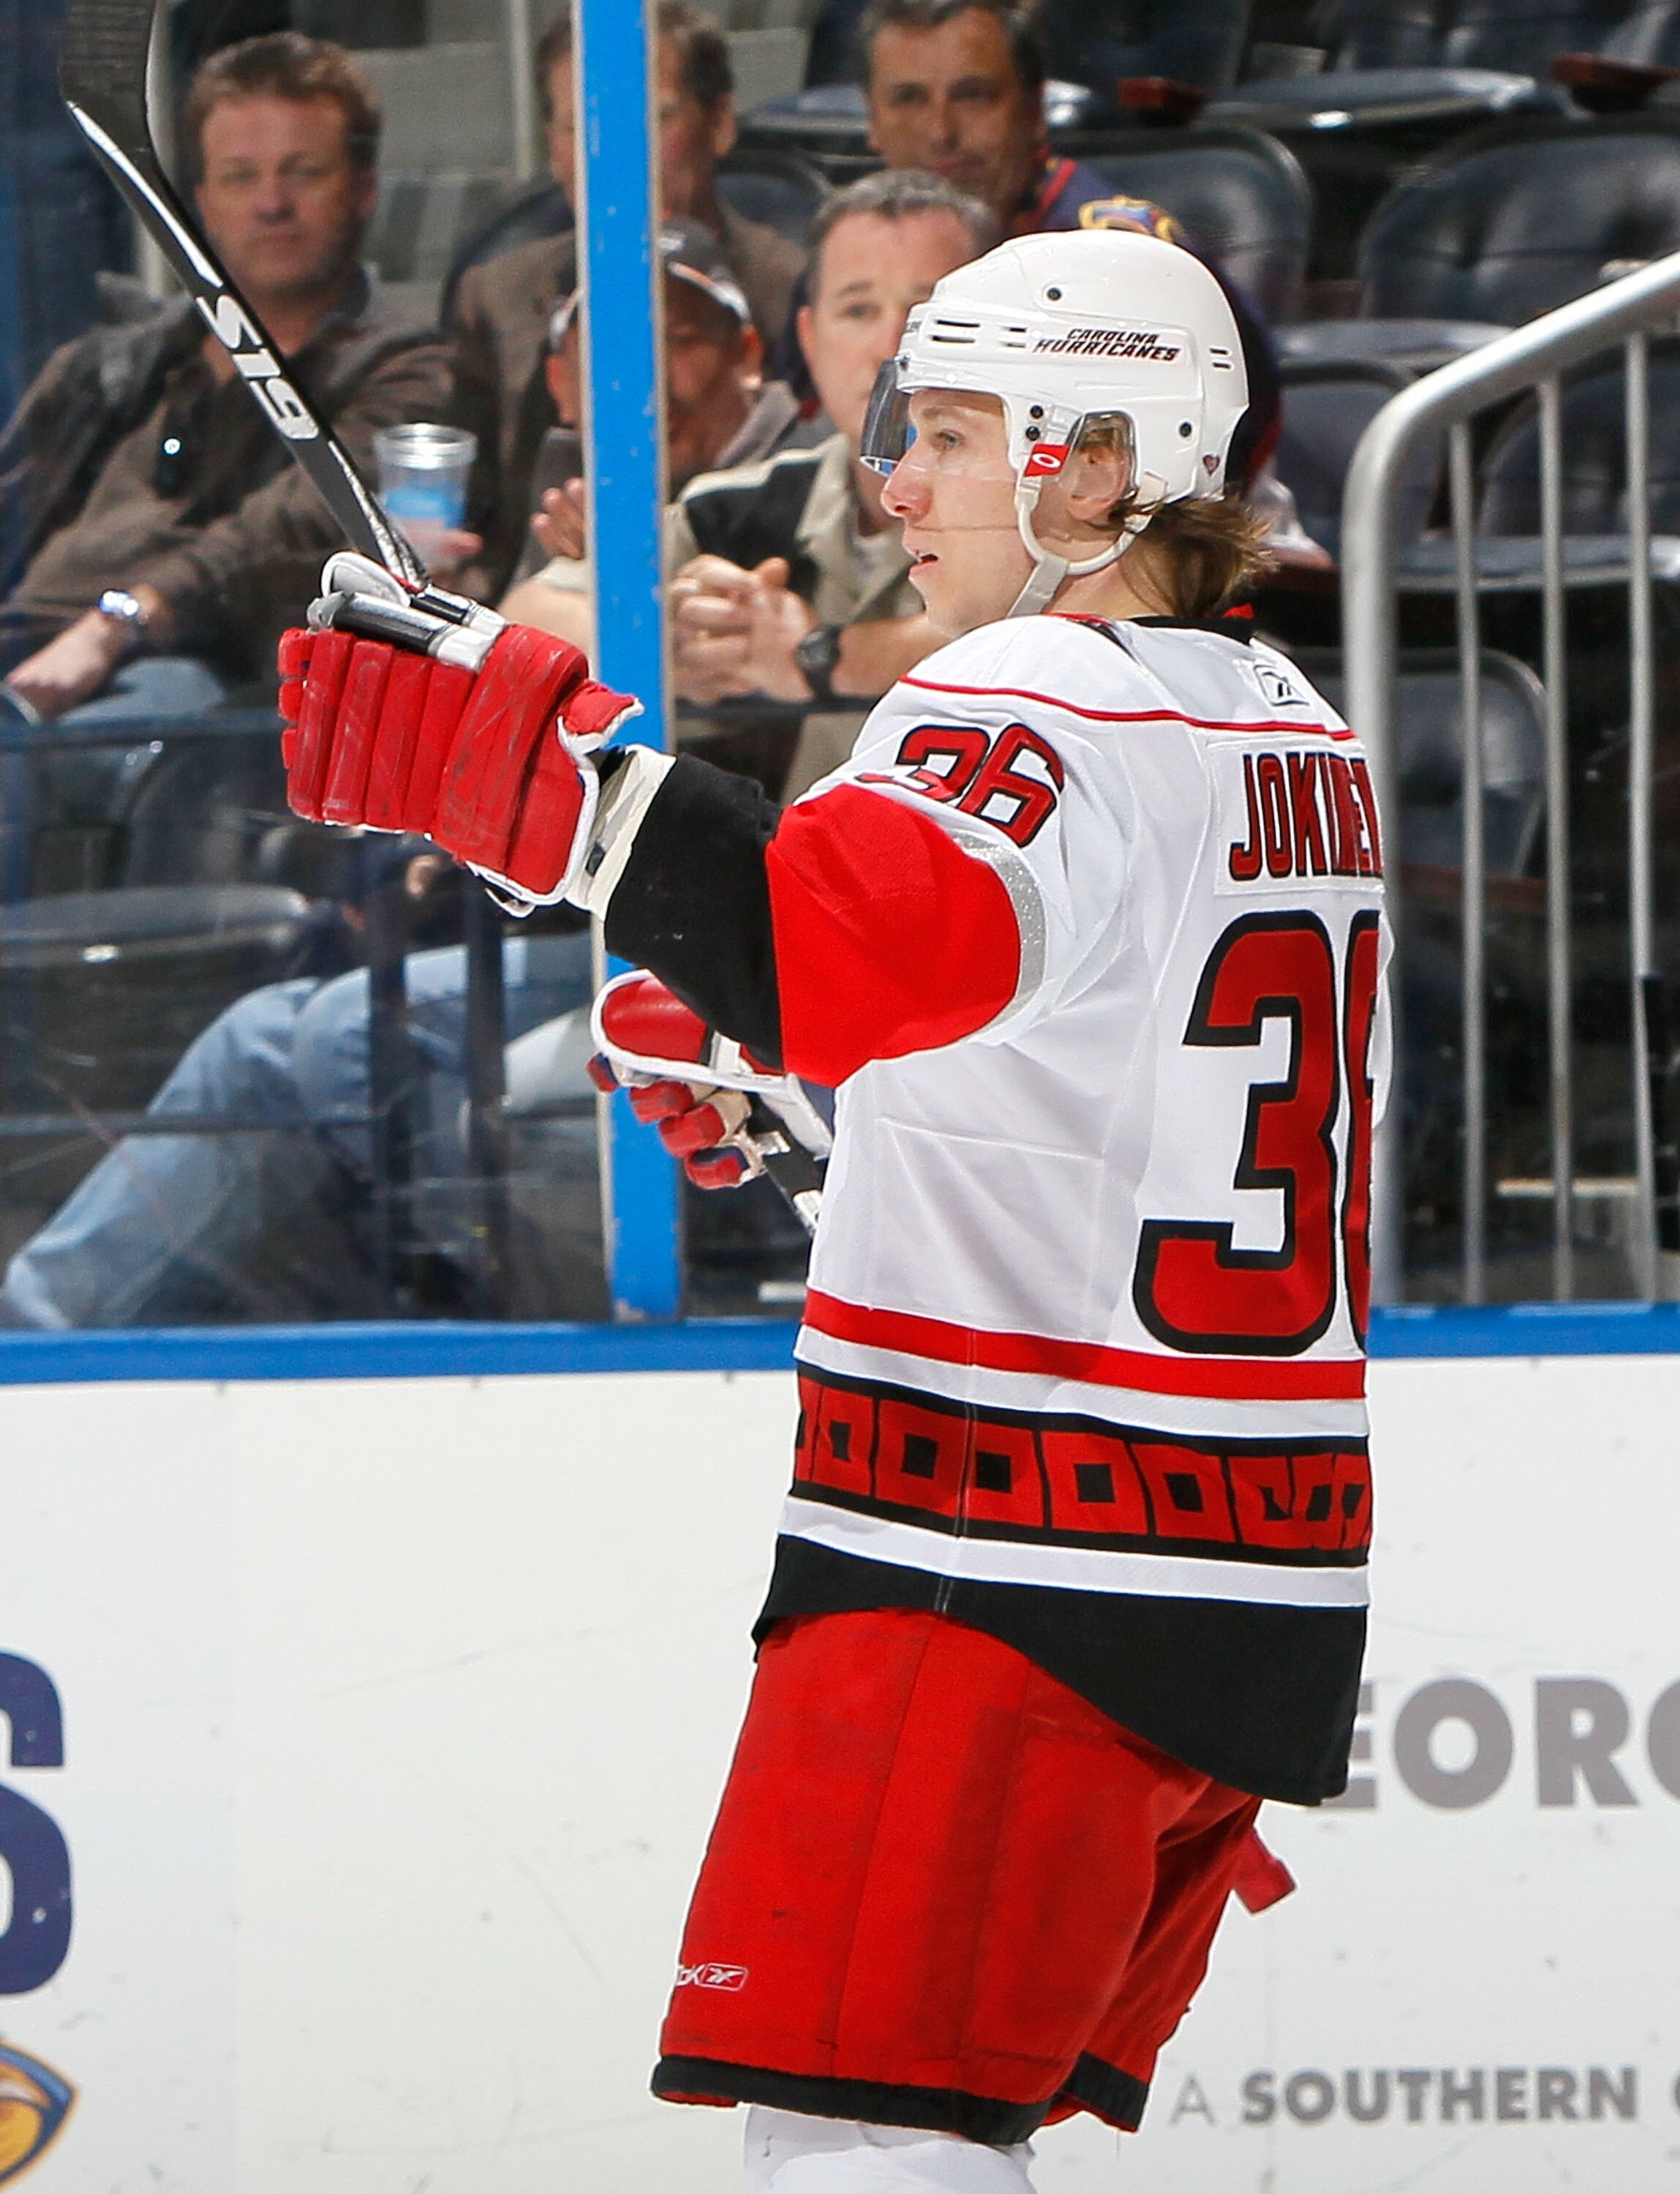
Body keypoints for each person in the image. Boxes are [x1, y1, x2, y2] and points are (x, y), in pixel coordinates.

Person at [276, 222, 1387, 2190]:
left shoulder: (1029, 692)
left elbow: (828, 955)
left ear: (1097, 463)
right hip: (1238, 1589)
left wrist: (547, 775)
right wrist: (818, 1123)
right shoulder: (1287, 728)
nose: (893, 479)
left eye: (949, 431)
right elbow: (1091, 1072)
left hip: (1001, 1575)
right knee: (936, 2143)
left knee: (857, 2158)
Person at [0, 33, 452, 725]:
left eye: (302, 171)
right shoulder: (111, 368)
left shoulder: (405, 370)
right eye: (241, 176)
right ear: (202, 202)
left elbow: (295, 522)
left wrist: (121, 621)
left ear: (363, 191)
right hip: (29, 647)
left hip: (191, 682)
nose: (271, 204)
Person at [449, 2, 806, 595]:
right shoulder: (496, 296)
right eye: (580, 122)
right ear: (550, 145)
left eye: (650, 116)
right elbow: (475, 529)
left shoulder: (797, 286)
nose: (615, 150)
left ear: (718, 122)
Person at [498, 219, 813, 631]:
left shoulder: (811, 471)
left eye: (680, 341)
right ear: (559, 385)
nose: (647, 384)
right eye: (608, 349)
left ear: (747, 354)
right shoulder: (562, 496)